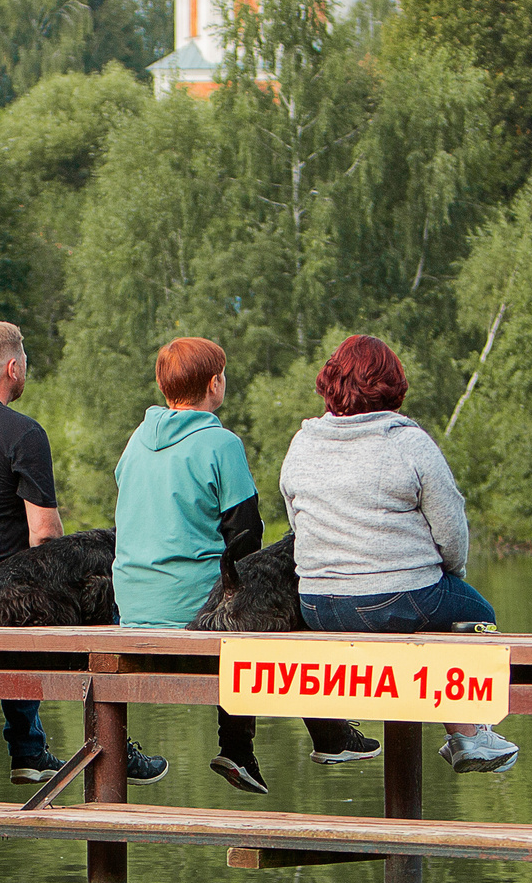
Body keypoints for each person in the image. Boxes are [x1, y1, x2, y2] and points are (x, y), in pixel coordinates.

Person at [0, 319, 165, 785]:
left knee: (17, 592)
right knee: (83, 600)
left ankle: (30, 746)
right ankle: (102, 748)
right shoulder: (21, 432)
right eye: (25, 364)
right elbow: (44, 536)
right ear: (12, 367)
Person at [111, 336, 377, 796]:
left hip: (131, 600)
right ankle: (307, 737)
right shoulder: (220, 442)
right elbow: (246, 537)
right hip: (194, 606)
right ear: (215, 384)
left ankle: (267, 745)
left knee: (246, 612)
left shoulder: (136, 441)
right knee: (266, 605)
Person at [280, 334, 518, 773]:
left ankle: (465, 735)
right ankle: (469, 734)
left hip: (317, 603)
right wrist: (453, 575)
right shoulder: (407, 441)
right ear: (392, 386)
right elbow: (450, 527)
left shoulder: (303, 443)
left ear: (331, 382)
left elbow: (299, 525)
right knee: (475, 614)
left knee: (435, 620)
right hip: (398, 597)